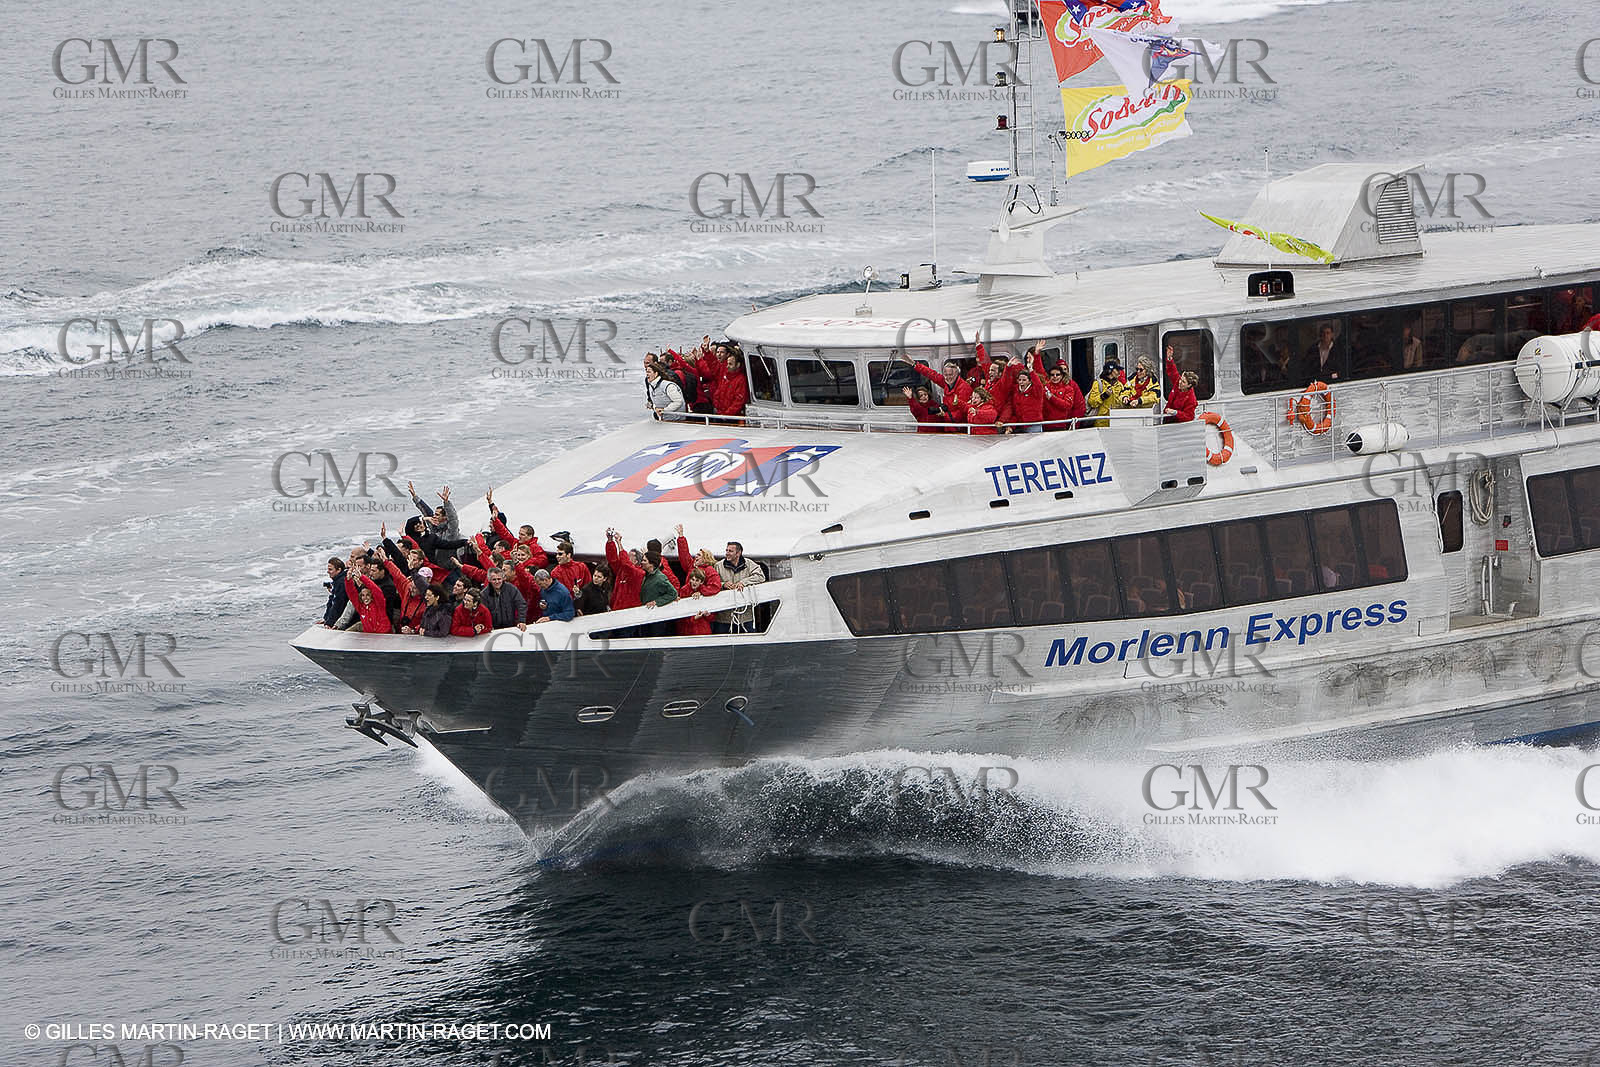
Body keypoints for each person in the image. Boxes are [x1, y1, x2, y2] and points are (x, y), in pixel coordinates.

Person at [713, 540, 765, 633]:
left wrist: (743, 582)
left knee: (750, 644)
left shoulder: (749, 564)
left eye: (730, 551)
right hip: (724, 618)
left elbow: (760, 577)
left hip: (745, 617)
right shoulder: (718, 566)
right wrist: (723, 584)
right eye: (726, 550)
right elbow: (710, 583)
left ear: (738, 553)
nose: (727, 553)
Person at [1001, 351, 1046, 433]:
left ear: (1029, 381)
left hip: (1033, 425)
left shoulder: (1035, 391)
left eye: (1024, 380)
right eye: (1020, 380)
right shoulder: (1015, 390)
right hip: (1019, 424)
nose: (1021, 382)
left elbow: (1038, 384)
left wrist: (1031, 370)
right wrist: (1008, 367)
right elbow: (1005, 384)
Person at [605, 529, 644, 611]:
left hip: (631, 611)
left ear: (636, 561)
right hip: (617, 609)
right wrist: (610, 541)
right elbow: (613, 559)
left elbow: (626, 564)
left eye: (629, 556)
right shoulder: (622, 570)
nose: (626, 557)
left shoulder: (639, 573)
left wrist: (619, 543)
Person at [479, 565, 528, 632]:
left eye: (499, 579)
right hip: (493, 629)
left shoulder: (511, 589)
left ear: (503, 578)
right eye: (494, 579)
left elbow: (521, 604)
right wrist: (488, 626)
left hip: (511, 626)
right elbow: (483, 612)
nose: (497, 582)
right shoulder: (484, 594)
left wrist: (521, 621)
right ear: (489, 580)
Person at [1041, 362, 1085, 430]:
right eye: (1052, 375)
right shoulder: (1045, 387)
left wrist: (1052, 398)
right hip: (1045, 424)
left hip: (1061, 424)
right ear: (1049, 376)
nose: (1055, 377)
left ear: (1062, 376)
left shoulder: (1068, 389)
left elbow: (1067, 405)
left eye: (1057, 375)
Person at [713, 350, 749, 419]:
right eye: (727, 363)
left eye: (730, 364)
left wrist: (726, 415)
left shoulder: (741, 380)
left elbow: (738, 402)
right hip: (720, 414)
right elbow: (718, 392)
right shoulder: (725, 376)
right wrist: (717, 408)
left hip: (732, 418)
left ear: (738, 365)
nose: (727, 366)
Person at [320, 558, 349, 627]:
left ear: (339, 570)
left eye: (330, 569)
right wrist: (326, 618)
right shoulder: (337, 581)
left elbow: (338, 604)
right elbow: (331, 601)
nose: (328, 571)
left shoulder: (341, 583)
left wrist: (329, 623)